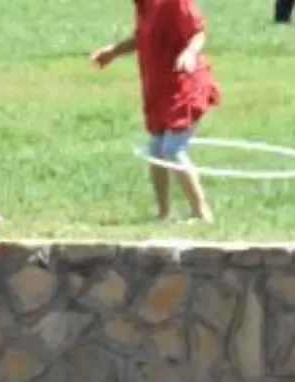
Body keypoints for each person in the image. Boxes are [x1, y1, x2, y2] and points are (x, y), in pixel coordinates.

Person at [90, 0, 220, 222]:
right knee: (155, 149)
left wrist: (189, 53)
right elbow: (143, 38)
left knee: (171, 148)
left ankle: (201, 212)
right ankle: (163, 212)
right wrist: (114, 51)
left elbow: (198, 33)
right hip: (160, 89)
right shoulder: (144, 5)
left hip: (185, 85)